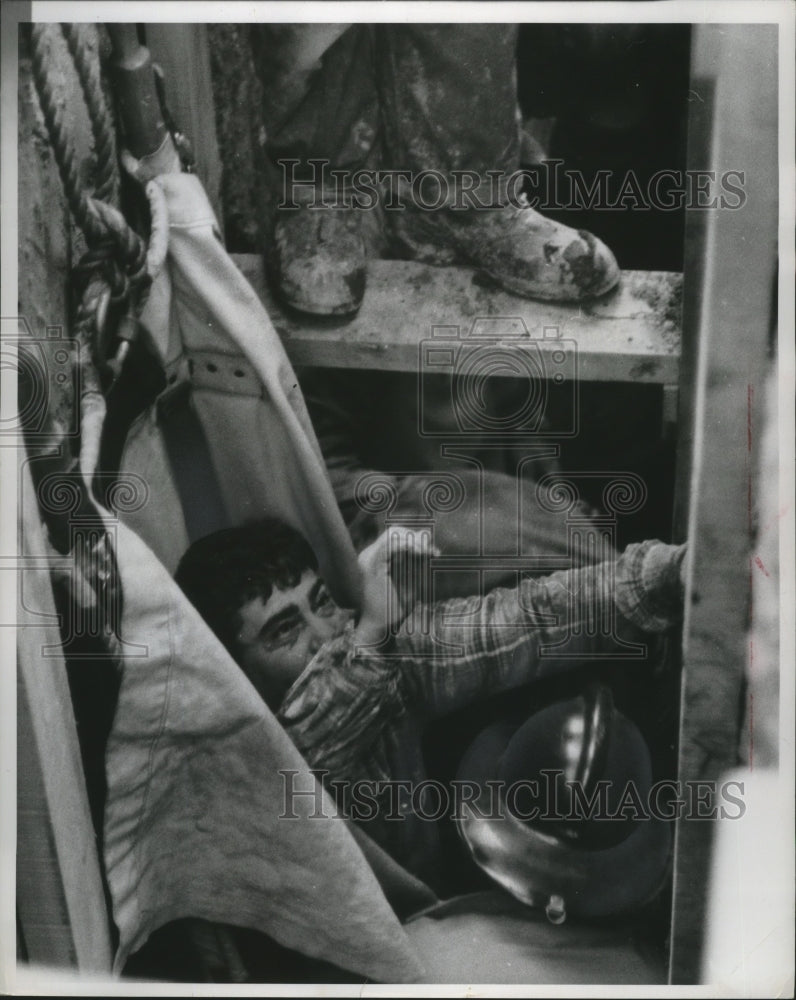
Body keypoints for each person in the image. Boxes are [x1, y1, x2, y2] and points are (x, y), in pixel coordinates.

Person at [175, 516, 686, 887]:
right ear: (230, 671)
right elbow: (297, 763)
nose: (325, 634)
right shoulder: (223, 760)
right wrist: (372, 635)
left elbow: (528, 620)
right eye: (285, 631)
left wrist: (666, 575)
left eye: (322, 603)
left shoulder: (377, 658)